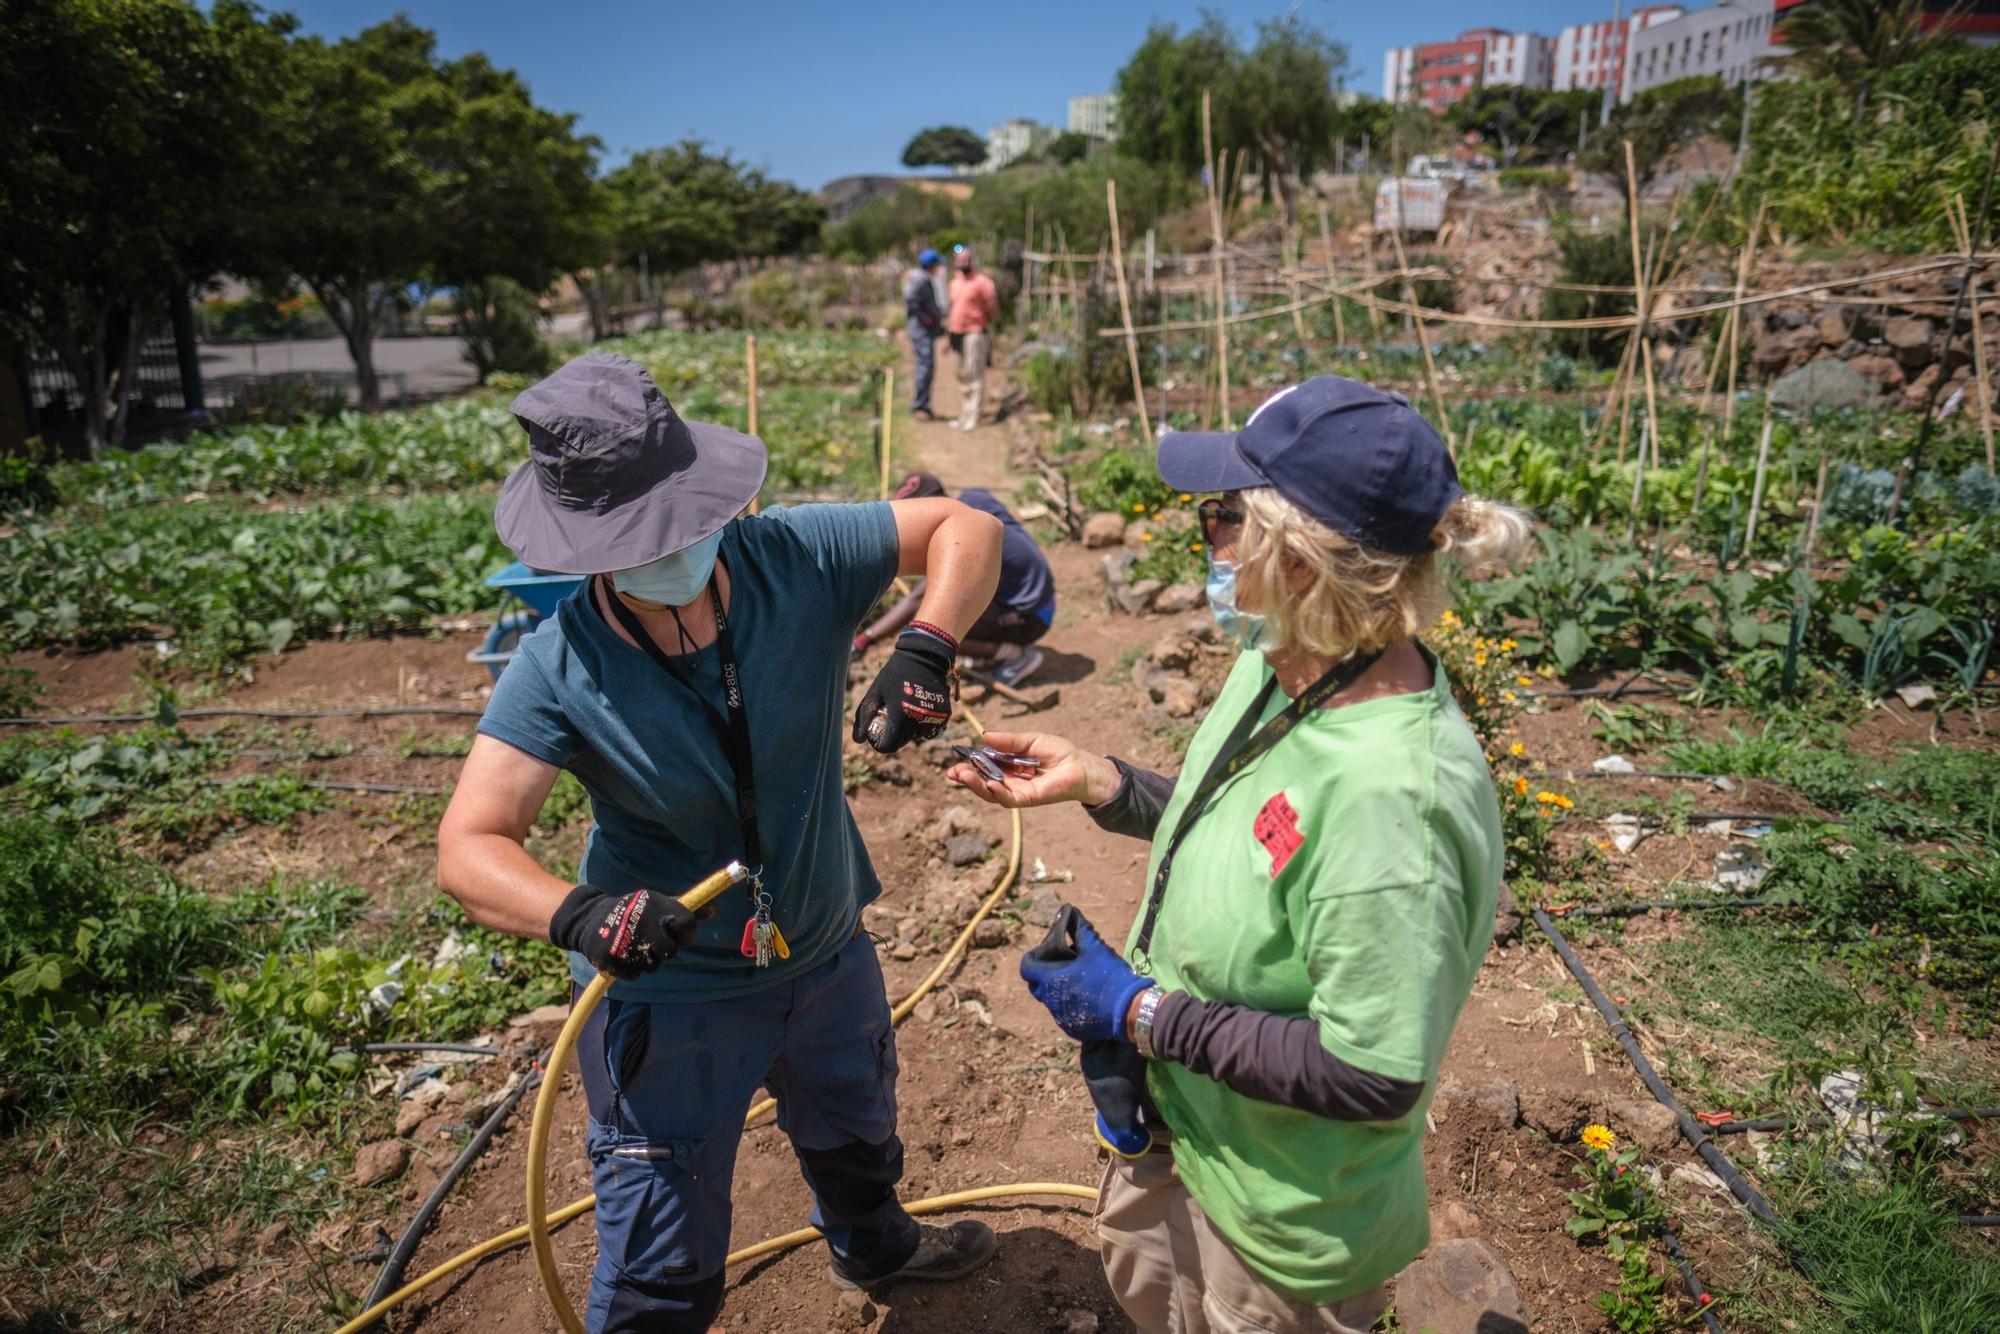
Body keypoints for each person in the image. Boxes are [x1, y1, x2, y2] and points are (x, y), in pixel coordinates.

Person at [946, 376, 1530, 1334]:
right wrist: (1106, 782)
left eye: (1219, 519)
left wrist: (1140, 1014)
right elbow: (1255, 834)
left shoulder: (1395, 801)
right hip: (1194, 1130)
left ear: (1296, 559)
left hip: (1281, 1206)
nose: (1205, 540)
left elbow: (1372, 1073)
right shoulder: (1289, 660)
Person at [437, 353, 1005, 1333]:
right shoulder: (561, 664)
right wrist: (579, 913)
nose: (675, 549)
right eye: (640, 537)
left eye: (684, 521)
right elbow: (468, 843)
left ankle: (875, 1246)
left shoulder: (795, 556)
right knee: (663, 1257)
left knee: (857, 1135)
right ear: (588, 547)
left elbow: (967, 524)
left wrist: (927, 644)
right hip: (673, 993)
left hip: (825, 947)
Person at [853, 470, 1055, 687]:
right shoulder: (974, 499)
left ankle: (1015, 656)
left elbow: (918, 598)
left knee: (928, 625)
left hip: (1032, 617)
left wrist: (864, 641)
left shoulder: (961, 540)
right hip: (1041, 598)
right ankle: (991, 646)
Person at [945, 247, 998, 432]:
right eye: (959, 260)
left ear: (972, 261)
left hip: (974, 332)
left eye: (966, 259)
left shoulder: (983, 283)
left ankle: (974, 415)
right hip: (955, 332)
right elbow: (951, 309)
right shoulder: (954, 283)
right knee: (959, 373)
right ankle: (965, 413)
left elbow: (992, 309)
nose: (962, 263)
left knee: (974, 373)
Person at [903, 248, 947, 421]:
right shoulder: (920, 280)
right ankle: (919, 404)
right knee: (925, 367)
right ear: (932, 264)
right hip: (921, 331)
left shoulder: (924, 279)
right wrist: (924, 317)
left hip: (924, 331)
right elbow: (910, 299)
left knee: (927, 367)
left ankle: (923, 403)